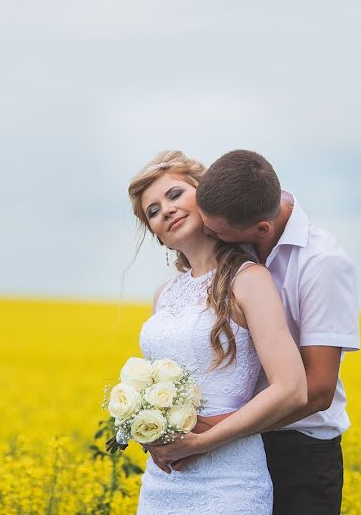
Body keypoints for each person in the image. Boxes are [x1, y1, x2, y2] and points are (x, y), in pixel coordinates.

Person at [154, 148, 360, 515]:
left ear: (260, 230)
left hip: (300, 450)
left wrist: (211, 431)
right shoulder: (237, 216)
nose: (210, 233)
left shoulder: (321, 264)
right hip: (234, 447)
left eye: (215, 231)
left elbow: (319, 390)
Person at [127, 150, 308, 515]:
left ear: (204, 196)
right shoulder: (163, 296)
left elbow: (292, 389)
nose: (166, 210)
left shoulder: (250, 280)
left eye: (175, 194)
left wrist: (201, 442)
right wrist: (147, 428)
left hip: (229, 481)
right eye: (153, 211)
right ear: (159, 236)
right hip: (163, 481)